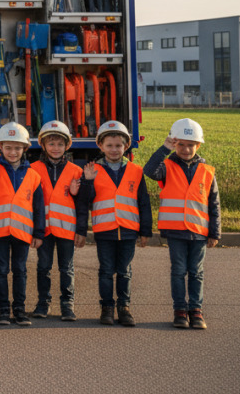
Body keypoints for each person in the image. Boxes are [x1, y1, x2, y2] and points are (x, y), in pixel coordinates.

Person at [143, 118, 220, 329]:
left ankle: (196, 311)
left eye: (191, 145)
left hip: (199, 232)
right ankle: (179, 311)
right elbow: (149, 170)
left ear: (198, 145)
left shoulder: (207, 171)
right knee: (178, 271)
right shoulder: (166, 167)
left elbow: (214, 205)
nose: (186, 149)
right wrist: (164, 149)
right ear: (174, 145)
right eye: (181, 144)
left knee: (196, 272)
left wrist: (215, 233)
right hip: (176, 231)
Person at [78, 120, 151, 327]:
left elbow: (143, 202)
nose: (114, 149)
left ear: (126, 146)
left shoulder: (136, 171)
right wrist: (88, 181)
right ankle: (107, 308)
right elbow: (85, 201)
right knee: (106, 270)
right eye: (109, 145)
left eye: (118, 145)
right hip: (105, 230)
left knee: (125, 270)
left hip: (128, 230)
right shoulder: (92, 170)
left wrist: (145, 231)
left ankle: (124, 308)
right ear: (100, 146)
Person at [0, 122, 45, 326]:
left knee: (20, 270)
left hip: (23, 232)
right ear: (0, 148)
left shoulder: (33, 175)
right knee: (1, 270)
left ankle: (20, 310)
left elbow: (39, 207)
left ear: (24, 149)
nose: (12, 152)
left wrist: (39, 234)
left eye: (17, 148)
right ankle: (3, 310)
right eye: (8, 147)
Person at [29, 120, 87, 321]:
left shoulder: (76, 171)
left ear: (67, 146)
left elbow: (82, 206)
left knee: (67, 268)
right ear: (43, 145)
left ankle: (67, 305)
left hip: (67, 231)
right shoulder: (33, 169)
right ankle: (43, 303)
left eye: (60, 144)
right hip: (43, 230)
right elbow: (30, 204)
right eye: (51, 144)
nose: (56, 148)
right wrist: (34, 231)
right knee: (43, 267)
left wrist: (81, 230)